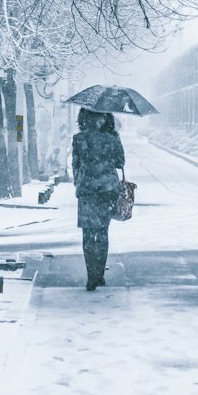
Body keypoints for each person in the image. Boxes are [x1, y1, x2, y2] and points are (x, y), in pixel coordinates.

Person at [71, 108, 125, 290]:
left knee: (87, 234)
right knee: (102, 232)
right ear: (106, 118)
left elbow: (75, 165)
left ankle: (90, 276)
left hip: (87, 190)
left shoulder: (79, 139)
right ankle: (99, 274)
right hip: (107, 190)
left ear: (84, 118)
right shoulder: (112, 138)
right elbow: (120, 162)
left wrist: (81, 181)